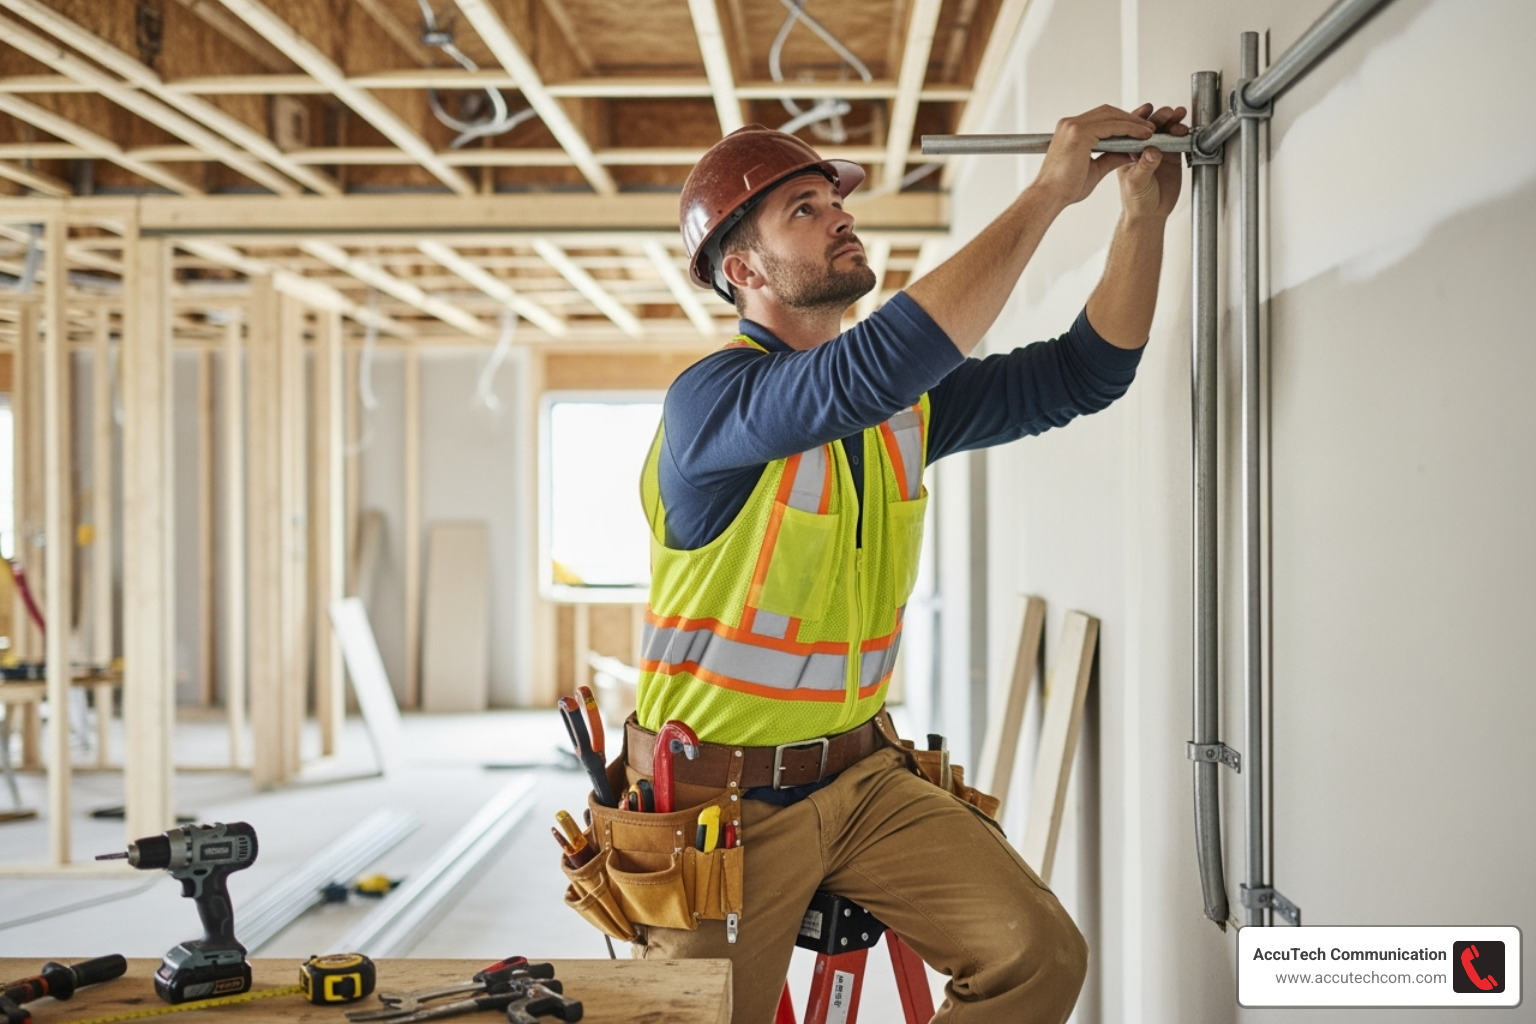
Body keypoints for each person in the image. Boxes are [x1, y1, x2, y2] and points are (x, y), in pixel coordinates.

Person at [625, 102, 1187, 1023]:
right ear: (743, 270)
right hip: (720, 806)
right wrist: (1049, 192)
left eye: (833, 201)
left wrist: (1140, 218)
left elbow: (1087, 374)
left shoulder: (899, 412)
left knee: (1037, 956)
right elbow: (872, 368)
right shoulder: (711, 405)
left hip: (863, 779)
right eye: (803, 210)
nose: (841, 215)